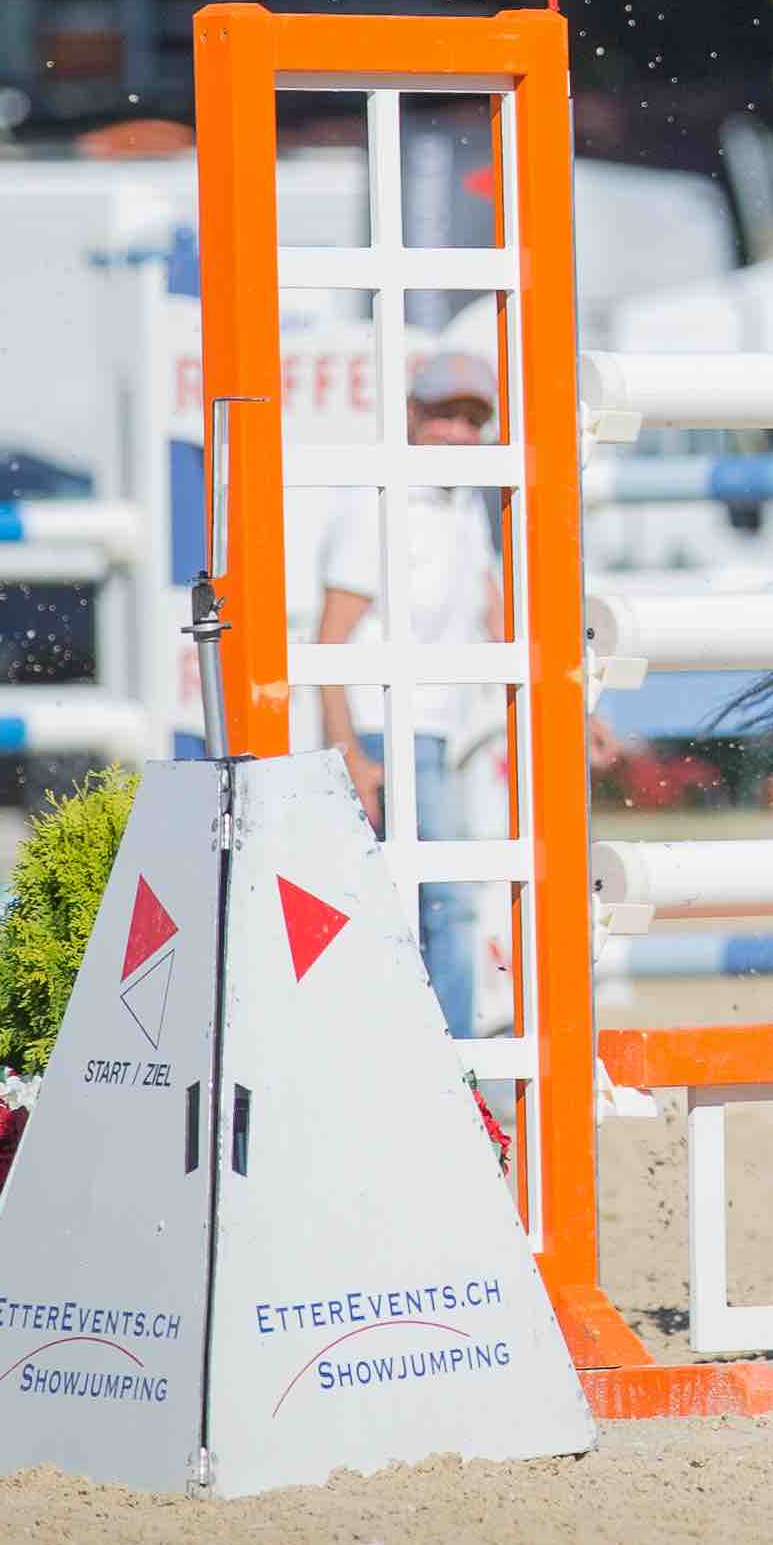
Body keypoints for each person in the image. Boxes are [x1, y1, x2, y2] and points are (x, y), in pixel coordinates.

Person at [313, 344, 511, 1037]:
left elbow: (500, 617)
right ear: (410, 416)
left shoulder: (459, 509)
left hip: (426, 732)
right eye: (444, 415)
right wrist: (349, 753)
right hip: (387, 730)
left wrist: (580, 703)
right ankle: (452, 1072)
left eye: (469, 418)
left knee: (408, 905)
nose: (457, 432)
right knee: (444, 901)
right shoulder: (377, 509)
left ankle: (417, 1063)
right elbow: (330, 640)